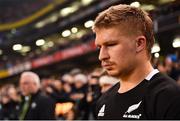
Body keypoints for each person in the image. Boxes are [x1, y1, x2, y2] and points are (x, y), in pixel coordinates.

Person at [93, 4, 180, 119]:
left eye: (111, 44)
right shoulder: (103, 101)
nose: (101, 56)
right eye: (99, 47)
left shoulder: (169, 97)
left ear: (139, 43)